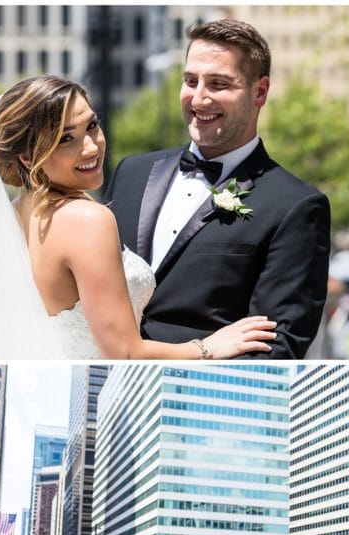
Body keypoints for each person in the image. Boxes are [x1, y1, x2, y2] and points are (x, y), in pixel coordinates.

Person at [0, 75, 278, 360]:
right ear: (29, 158)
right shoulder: (86, 219)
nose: (91, 146)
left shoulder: (9, 219)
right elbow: (124, 352)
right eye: (66, 139)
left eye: (92, 126)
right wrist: (208, 347)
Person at [104, 19, 331, 360]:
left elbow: (273, 350)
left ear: (260, 91)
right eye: (190, 81)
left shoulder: (297, 206)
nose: (199, 98)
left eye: (219, 84)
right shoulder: (131, 171)